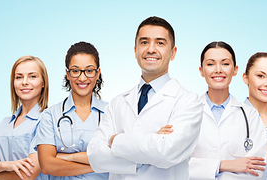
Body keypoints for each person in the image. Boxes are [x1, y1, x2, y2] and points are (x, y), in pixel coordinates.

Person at [87, 16, 203, 180]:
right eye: (144, 42)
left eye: (160, 43)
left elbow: (165, 152)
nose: (151, 49)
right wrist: (151, 143)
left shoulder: (189, 101)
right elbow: (95, 156)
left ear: (173, 53)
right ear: (135, 51)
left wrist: (116, 140)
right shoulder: (117, 102)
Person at [188, 41, 267, 180]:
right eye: (210, 64)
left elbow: (257, 169)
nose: (218, 69)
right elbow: (177, 165)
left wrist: (204, 169)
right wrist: (223, 165)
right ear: (201, 71)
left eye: (225, 63)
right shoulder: (186, 112)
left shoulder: (250, 116)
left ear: (235, 70)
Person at [33, 41, 109, 180]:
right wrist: (100, 164)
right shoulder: (50, 115)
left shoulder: (112, 112)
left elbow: (120, 158)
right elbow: (47, 166)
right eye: (75, 71)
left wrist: (68, 157)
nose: (82, 77)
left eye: (89, 71)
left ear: (98, 73)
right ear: (67, 74)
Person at [0, 55, 50, 180]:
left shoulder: (47, 121)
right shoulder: (4, 123)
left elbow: (28, 174)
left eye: (32, 76)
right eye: (19, 77)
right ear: (13, 83)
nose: (24, 82)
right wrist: (6, 165)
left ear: (43, 83)